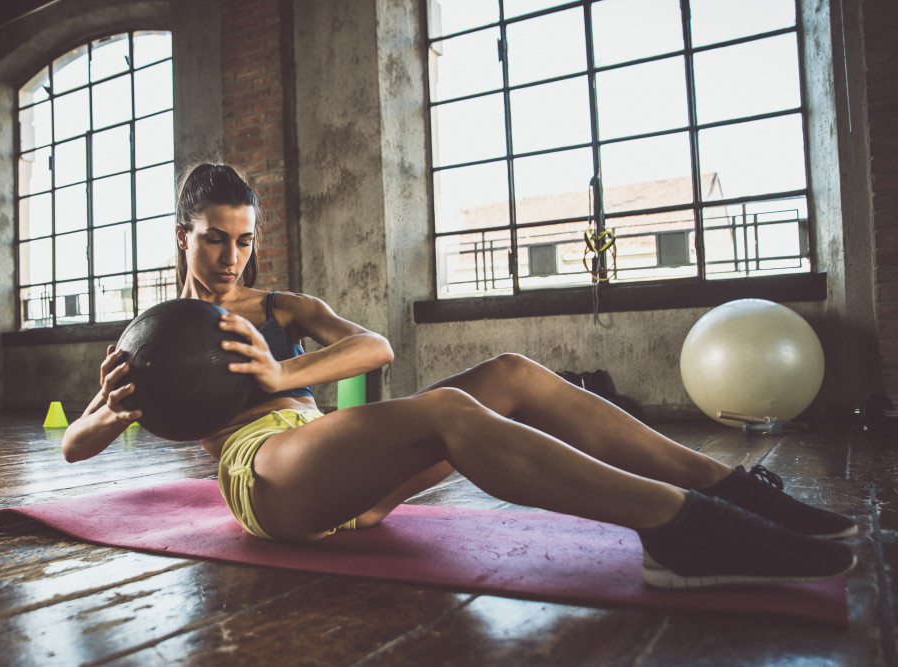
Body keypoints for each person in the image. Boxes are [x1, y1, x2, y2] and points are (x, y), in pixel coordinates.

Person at [61, 162, 857, 589]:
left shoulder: (282, 305)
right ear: (181, 235)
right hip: (271, 481)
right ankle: (680, 529)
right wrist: (103, 417)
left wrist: (282, 368)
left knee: (511, 373)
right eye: (212, 240)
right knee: (445, 410)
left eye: (241, 240)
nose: (229, 257)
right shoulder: (158, 334)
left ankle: (728, 486)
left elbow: (373, 347)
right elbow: (77, 442)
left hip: (346, 470)